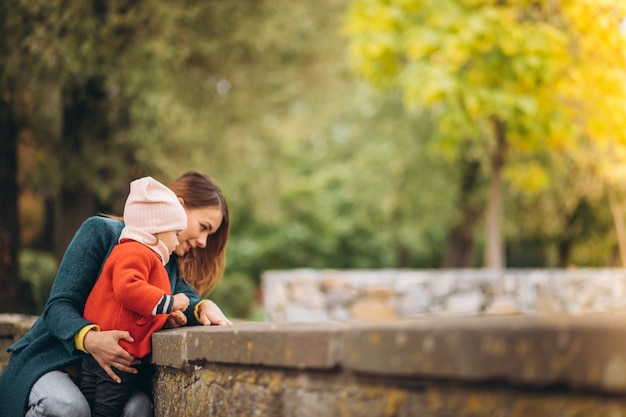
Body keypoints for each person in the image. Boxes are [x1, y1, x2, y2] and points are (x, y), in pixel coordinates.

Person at [0, 171, 233, 417]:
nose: (205, 242)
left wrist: (203, 307)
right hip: (55, 363)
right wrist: (90, 339)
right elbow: (59, 305)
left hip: (109, 382)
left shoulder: (169, 264)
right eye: (204, 227)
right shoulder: (101, 231)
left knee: (138, 408)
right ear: (178, 205)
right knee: (70, 407)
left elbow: (186, 300)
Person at [80, 176, 191, 417]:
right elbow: (129, 290)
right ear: (156, 230)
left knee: (89, 406)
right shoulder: (138, 253)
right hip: (117, 355)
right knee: (105, 411)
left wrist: (165, 317)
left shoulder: (133, 252)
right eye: (176, 233)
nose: (177, 241)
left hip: (104, 351)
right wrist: (171, 302)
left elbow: (133, 309)